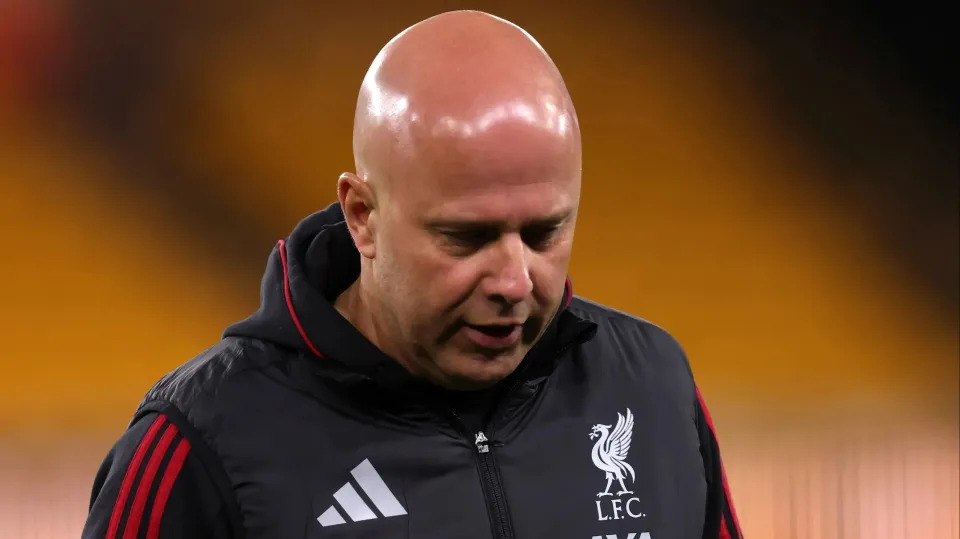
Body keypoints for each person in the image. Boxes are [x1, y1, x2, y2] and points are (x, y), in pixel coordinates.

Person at [82, 10, 743, 539]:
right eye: (468, 237)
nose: (515, 281)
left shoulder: (651, 387)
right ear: (363, 216)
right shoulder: (199, 445)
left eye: (544, 233)